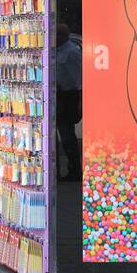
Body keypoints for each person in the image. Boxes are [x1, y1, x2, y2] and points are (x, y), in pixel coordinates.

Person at [55, 23, 83, 180]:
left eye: (58, 34)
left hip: (68, 96)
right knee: (63, 133)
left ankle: (75, 170)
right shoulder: (57, 51)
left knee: (67, 134)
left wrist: (80, 102)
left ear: (64, 36)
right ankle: (66, 169)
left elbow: (79, 79)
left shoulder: (71, 52)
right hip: (59, 95)